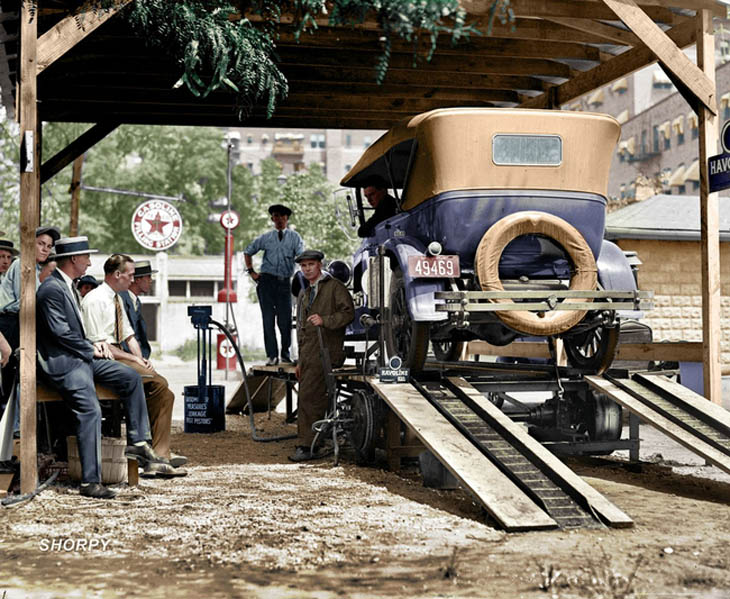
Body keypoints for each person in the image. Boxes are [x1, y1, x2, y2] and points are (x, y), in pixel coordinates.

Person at [36, 236, 166, 499]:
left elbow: (73, 332)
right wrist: (92, 348)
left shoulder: (67, 285)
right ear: (73, 259)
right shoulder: (51, 289)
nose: (89, 262)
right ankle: (90, 481)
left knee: (130, 377)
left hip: (80, 356)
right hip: (64, 362)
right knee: (90, 409)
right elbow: (60, 333)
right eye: (86, 257)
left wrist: (94, 346)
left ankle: (138, 442)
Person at [81, 254, 186, 477]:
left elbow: (128, 335)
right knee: (159, 384)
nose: (132, 279)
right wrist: (134, 360)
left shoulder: (117, 299)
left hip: (122, 356)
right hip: (105, 359)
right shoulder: (94, 300)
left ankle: (160, 455)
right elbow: (102, 345)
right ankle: (143, 445)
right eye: (130, 275)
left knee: (165, 394)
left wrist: (143, 360)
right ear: (117, 275)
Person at [289, 249, 354, 462]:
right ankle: (315, 441)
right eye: (303, 266)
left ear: (320, 265)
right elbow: (301, 329)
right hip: (308, 353)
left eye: (311, 265)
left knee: (309, 396)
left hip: (328, 351)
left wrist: (325, 320)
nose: (307, 269)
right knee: (309, 395)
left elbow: (348, 313)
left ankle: (307, 446)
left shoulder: (335, 287)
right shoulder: (305, 293)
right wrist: (299, 360)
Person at [244, 204, 304, 366]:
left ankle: (285, 354)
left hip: (284, 283)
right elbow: (248, 251)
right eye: (276, 216)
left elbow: (301, 256)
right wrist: (251, 272)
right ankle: (272, 355)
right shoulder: (266, 238)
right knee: (268, 320)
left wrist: (306, 273)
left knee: (285, 321)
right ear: (272, 219)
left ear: (287, 219)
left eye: (283, 216)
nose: (279, 220)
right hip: (266, 283)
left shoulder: (295, 237)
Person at [120, 259, 156, 360]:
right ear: (137, 280)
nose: (151, 280)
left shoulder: (136, 301)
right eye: (148, 276)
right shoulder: (121, 299)